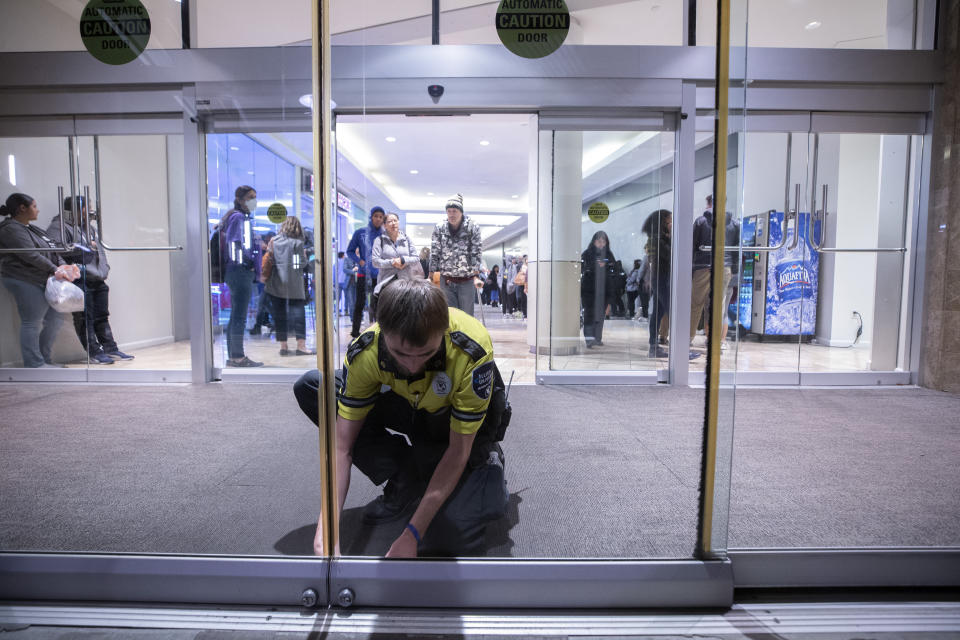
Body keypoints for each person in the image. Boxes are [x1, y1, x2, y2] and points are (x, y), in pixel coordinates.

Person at [293, 278, 509, 557]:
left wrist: (413, 533)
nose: (412, 364)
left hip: (453, 424)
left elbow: (458, 451)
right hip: (410, 405)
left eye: (425, 353)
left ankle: (486, 459)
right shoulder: (366, 351)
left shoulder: (471, 349)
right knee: (315, 388)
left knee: (449, 540)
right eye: (400, 354)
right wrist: (328, 524)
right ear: (383, 333)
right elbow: (342, 446)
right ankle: (405, 479)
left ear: (442, 333)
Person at [46, 195, 133, 364]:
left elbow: (99, 251)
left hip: (97, 279)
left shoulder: (89, 228)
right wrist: (84, 254)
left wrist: (103, 270)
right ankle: (93, 352)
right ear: (76, 210)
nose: (91, 211)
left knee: (102, 316)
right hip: (79, 279)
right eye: (87, 207)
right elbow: (58, 253)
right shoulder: (58, 228)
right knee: (85, 317)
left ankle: (110, 348)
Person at [0, 193, 81, 368]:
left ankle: (44, 359)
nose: (38, 210)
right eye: (35, 206)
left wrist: (62, 266)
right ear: (22, 208)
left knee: (55, 319)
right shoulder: (10, 229)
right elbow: (29, 254)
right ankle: (34, 363)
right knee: (32, 321)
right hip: (23, 278)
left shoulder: (32, 229)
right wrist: (55, 269)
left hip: (41, 279)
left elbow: (53, 250)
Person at [220, 185, 263, 367]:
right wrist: (245, 263)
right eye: (250, 197)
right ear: (240, 199)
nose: (254, 200)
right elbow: (234, 244)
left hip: (238, 271)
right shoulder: (238, 218)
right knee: (239, 316)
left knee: (236, 315)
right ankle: (237, 357)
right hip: (239, 272)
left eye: (255, 196)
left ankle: (234, 356)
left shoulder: (239, 217)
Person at [263, 216, 314, 357]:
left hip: (276, 283)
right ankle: (301, 346)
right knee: (298, 313)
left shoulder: (273, 241)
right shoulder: (297, 243)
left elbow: (270, 259)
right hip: (294, 284)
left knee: (280, 315)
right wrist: (304, 255)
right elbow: (300, 265)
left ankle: (283, 346)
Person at [429, 194, 483, 317]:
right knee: (449, 316)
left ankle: (465, 336)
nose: (451, 214)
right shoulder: (440, 227)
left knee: (466, 316)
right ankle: (450, 337)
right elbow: (435, 251)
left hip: (466, 279)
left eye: (455, 211)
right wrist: (431, 274)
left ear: (461, 212)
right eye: (449, 211)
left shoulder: (472, 227)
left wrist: (476, 275)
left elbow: (476, 251)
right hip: (446, 279)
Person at [370, 212, 419, 317]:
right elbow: (375, 261)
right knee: (388, 316)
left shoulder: (407, 239)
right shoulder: (379, 240)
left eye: (395, 221)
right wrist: (392, 262)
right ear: (384, 225)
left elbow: (416, 258)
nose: (393, 223)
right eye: (389, 221)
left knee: (406, 316)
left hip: (406, 283)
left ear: (398, 222)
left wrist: (403, 260)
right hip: (387, 283)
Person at [347, 206, 384, 338]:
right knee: (360, 303)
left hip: (380, 275)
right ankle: (355, 331)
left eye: (381, 217)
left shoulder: (385, 234)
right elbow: (350, 251)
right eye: (376, 216)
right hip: (364, 274)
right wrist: (360, 261)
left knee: (379, 304)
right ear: (371, 217)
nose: (378, 219)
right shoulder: (360, 233)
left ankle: (380, 332)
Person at [643, 210, 672, 358]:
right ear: (662, 224)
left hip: (659, 278)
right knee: (671, 311)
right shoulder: (657, 240)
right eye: (668, 222)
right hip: (661, 278)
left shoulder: (657, 239)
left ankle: (653, 347)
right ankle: (677, 349)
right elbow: (670, 255)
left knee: (658, 313)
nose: (671, 224)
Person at [580, 231, 617, 348]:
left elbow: (614, 270)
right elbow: (582, 269)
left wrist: (607, 267)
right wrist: (595, 267)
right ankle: (589, 339)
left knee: (600, 315)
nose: (601, 244)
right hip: (589, 289)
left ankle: (597, 338)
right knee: (589, 313)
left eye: (603, 241)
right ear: (594, 241)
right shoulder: (586, 254)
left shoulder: (609, 254)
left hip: (604, 290)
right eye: (599, 241)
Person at [690, 195, 714, 341]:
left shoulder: (700, 221)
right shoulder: (731, 221)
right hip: (723, 267)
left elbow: (692, 245)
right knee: (715, 306)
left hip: (702, 266)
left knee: (696, 303)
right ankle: (713, 339)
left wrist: (691, 267)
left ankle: (688, 337)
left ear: (708, 203)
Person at [340, 252, 357, 316]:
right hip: (350, 283)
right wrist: (353, 271)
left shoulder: (361, 258)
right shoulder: (347, 259)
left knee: (358, 301)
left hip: (359, 283)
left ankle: (359, 317)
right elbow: (345, 270)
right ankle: (353, 317)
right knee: (351, 302)